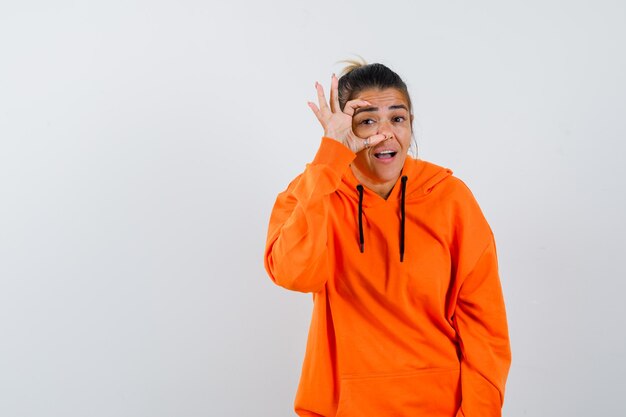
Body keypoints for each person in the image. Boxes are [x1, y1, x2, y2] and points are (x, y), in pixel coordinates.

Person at [264, 61, 511, 417]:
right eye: (367, 121)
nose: (385, 133)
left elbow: (485, 327)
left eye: (397, 118)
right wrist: (330, 157)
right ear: (346, 131)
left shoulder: (451, 199)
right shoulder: (314, 192)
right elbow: (293, 273)